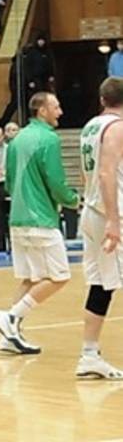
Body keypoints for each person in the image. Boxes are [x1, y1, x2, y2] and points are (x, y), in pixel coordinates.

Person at [0, 92, 79, 354]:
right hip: (40, 218)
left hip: (18, 217)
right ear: (42, 110)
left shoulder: (17, 139)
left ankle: (9, 337)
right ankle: (11, 318)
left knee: (30, 279)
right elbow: (55, 180)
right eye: (56, 107)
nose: (60, 112)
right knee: (59, 276)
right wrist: (72, 199)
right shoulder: (48, 139)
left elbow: (9, 181)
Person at [75, 77, 123, 378]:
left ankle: (90, 353)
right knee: (107, 283)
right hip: (110, 213)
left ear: (102, 99)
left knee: (101, 284)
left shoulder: (91, 126)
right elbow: (106, 174)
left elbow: (86, 172)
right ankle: (89, 354)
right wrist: (113, 220)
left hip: (92, 210)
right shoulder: (117, 128)